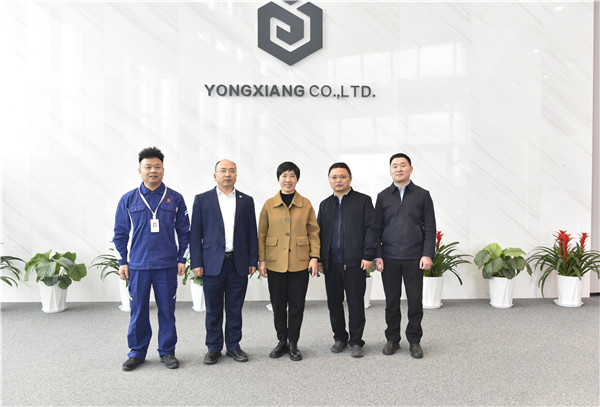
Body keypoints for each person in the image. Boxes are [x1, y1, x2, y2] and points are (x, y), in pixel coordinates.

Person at [113, 147, 190, 371]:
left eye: (157, 166)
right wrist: (122, 262)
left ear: (163, 170)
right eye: (148, 167)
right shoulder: (128, 199)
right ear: (140, 171)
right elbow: (119, 234)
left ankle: (167, 351)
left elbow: (184, 232)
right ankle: (137, 352)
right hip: (138, 266)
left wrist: (182, 259)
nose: (153, 170)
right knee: (138, 311)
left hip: (166, 265)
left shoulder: (175, 198)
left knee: (167, 311)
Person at [189, 159, 258, 365]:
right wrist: (196, 263)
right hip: (212, 263)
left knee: (235, 308)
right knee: (213, 309)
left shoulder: (246, 200)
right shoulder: (202, 200)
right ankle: (213, 347)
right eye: (223, 170)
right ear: (215, 176)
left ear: (236, 175)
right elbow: (195, 234)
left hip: (238, 262)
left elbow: (251, 233)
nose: (227, 174)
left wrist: (253, 259)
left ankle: (234, 346)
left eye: (231, 171)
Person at [374, 153, 436, 359]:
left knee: (415, 301)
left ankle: (414, 341)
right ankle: (392, 339)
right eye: (395, 166)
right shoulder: (383, 197)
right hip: (389, 257)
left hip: (414, 257)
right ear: (390, 170)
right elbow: (376, 228)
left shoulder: (422, 195)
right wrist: (377, 255)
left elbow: (430, 227)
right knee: (391, 302)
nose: (398, 169)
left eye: (403, 165)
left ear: (410, 169)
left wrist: (427, 254)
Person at [258, 161, 320, 361]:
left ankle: (293, 342)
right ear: (278, 179)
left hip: (300, 262)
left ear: (297, 179)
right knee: (278, 305)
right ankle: (281, 341)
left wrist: (314, 257)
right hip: (275, 262)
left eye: (292, 176)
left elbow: (313, 232)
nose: (288, 180)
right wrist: (262, 260)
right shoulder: (269, 204)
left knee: (297, 305)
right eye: (284, 175)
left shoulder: (306, 204)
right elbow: (261, 234)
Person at [316, 163, 377, 358]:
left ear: (350, 178)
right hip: (331, 264)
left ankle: (356, 341)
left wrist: (368, 255)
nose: (338, 181)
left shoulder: (363, 201)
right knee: (334, 303)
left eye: (342, 177)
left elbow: (371, 229)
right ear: (329, 180)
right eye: (334, 177)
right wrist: (319, 259)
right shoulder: (325, 205)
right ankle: (339, 338)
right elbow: (318, 234)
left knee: (356, 303)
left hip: (355, 263)